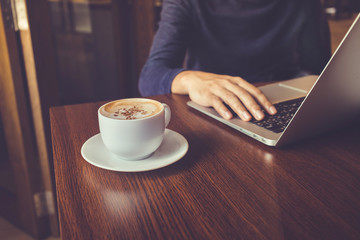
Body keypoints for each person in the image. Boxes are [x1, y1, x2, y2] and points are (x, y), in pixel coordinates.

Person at [139, 0, 331, 121]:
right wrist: (189, 79)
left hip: (280, 102)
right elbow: (150, 76)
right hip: (212, 109)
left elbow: (320, 71)